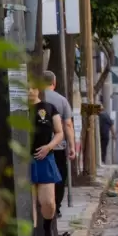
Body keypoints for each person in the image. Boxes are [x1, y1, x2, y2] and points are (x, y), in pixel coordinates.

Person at [29, 85, 64, 236]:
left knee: (48, 202)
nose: (29, 91)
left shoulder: (49, 108)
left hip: (45, 158)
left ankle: (47, 226)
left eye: (32, 87)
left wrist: (49, 147)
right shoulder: (16, 110)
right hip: (25, 160)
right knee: (29, 202)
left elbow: (59, 132)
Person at [41, 71, 75, 218]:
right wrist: (72, 146)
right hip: (58, 147)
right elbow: (68, 125)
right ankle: (57, 207)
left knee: (43, 178)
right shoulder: (62, 100)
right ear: (54, 83)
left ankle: (44, 207)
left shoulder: (35, 98)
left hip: (39, 147)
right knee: (59, 177)